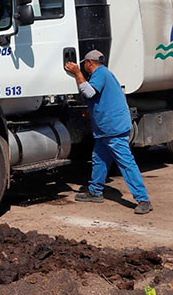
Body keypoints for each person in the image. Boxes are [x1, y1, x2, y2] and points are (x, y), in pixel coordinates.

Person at [65, 50, 152, 214]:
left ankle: (143, 199)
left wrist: (77, 73)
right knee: (99, 159)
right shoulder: (105, 74)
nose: (84, 66)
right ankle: (95, 191)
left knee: (126, 164)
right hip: (108, 128)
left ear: (90, 63)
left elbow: (89, 92)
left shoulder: (100, 74)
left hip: (113, 128)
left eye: (84, 64)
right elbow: (103, 99)